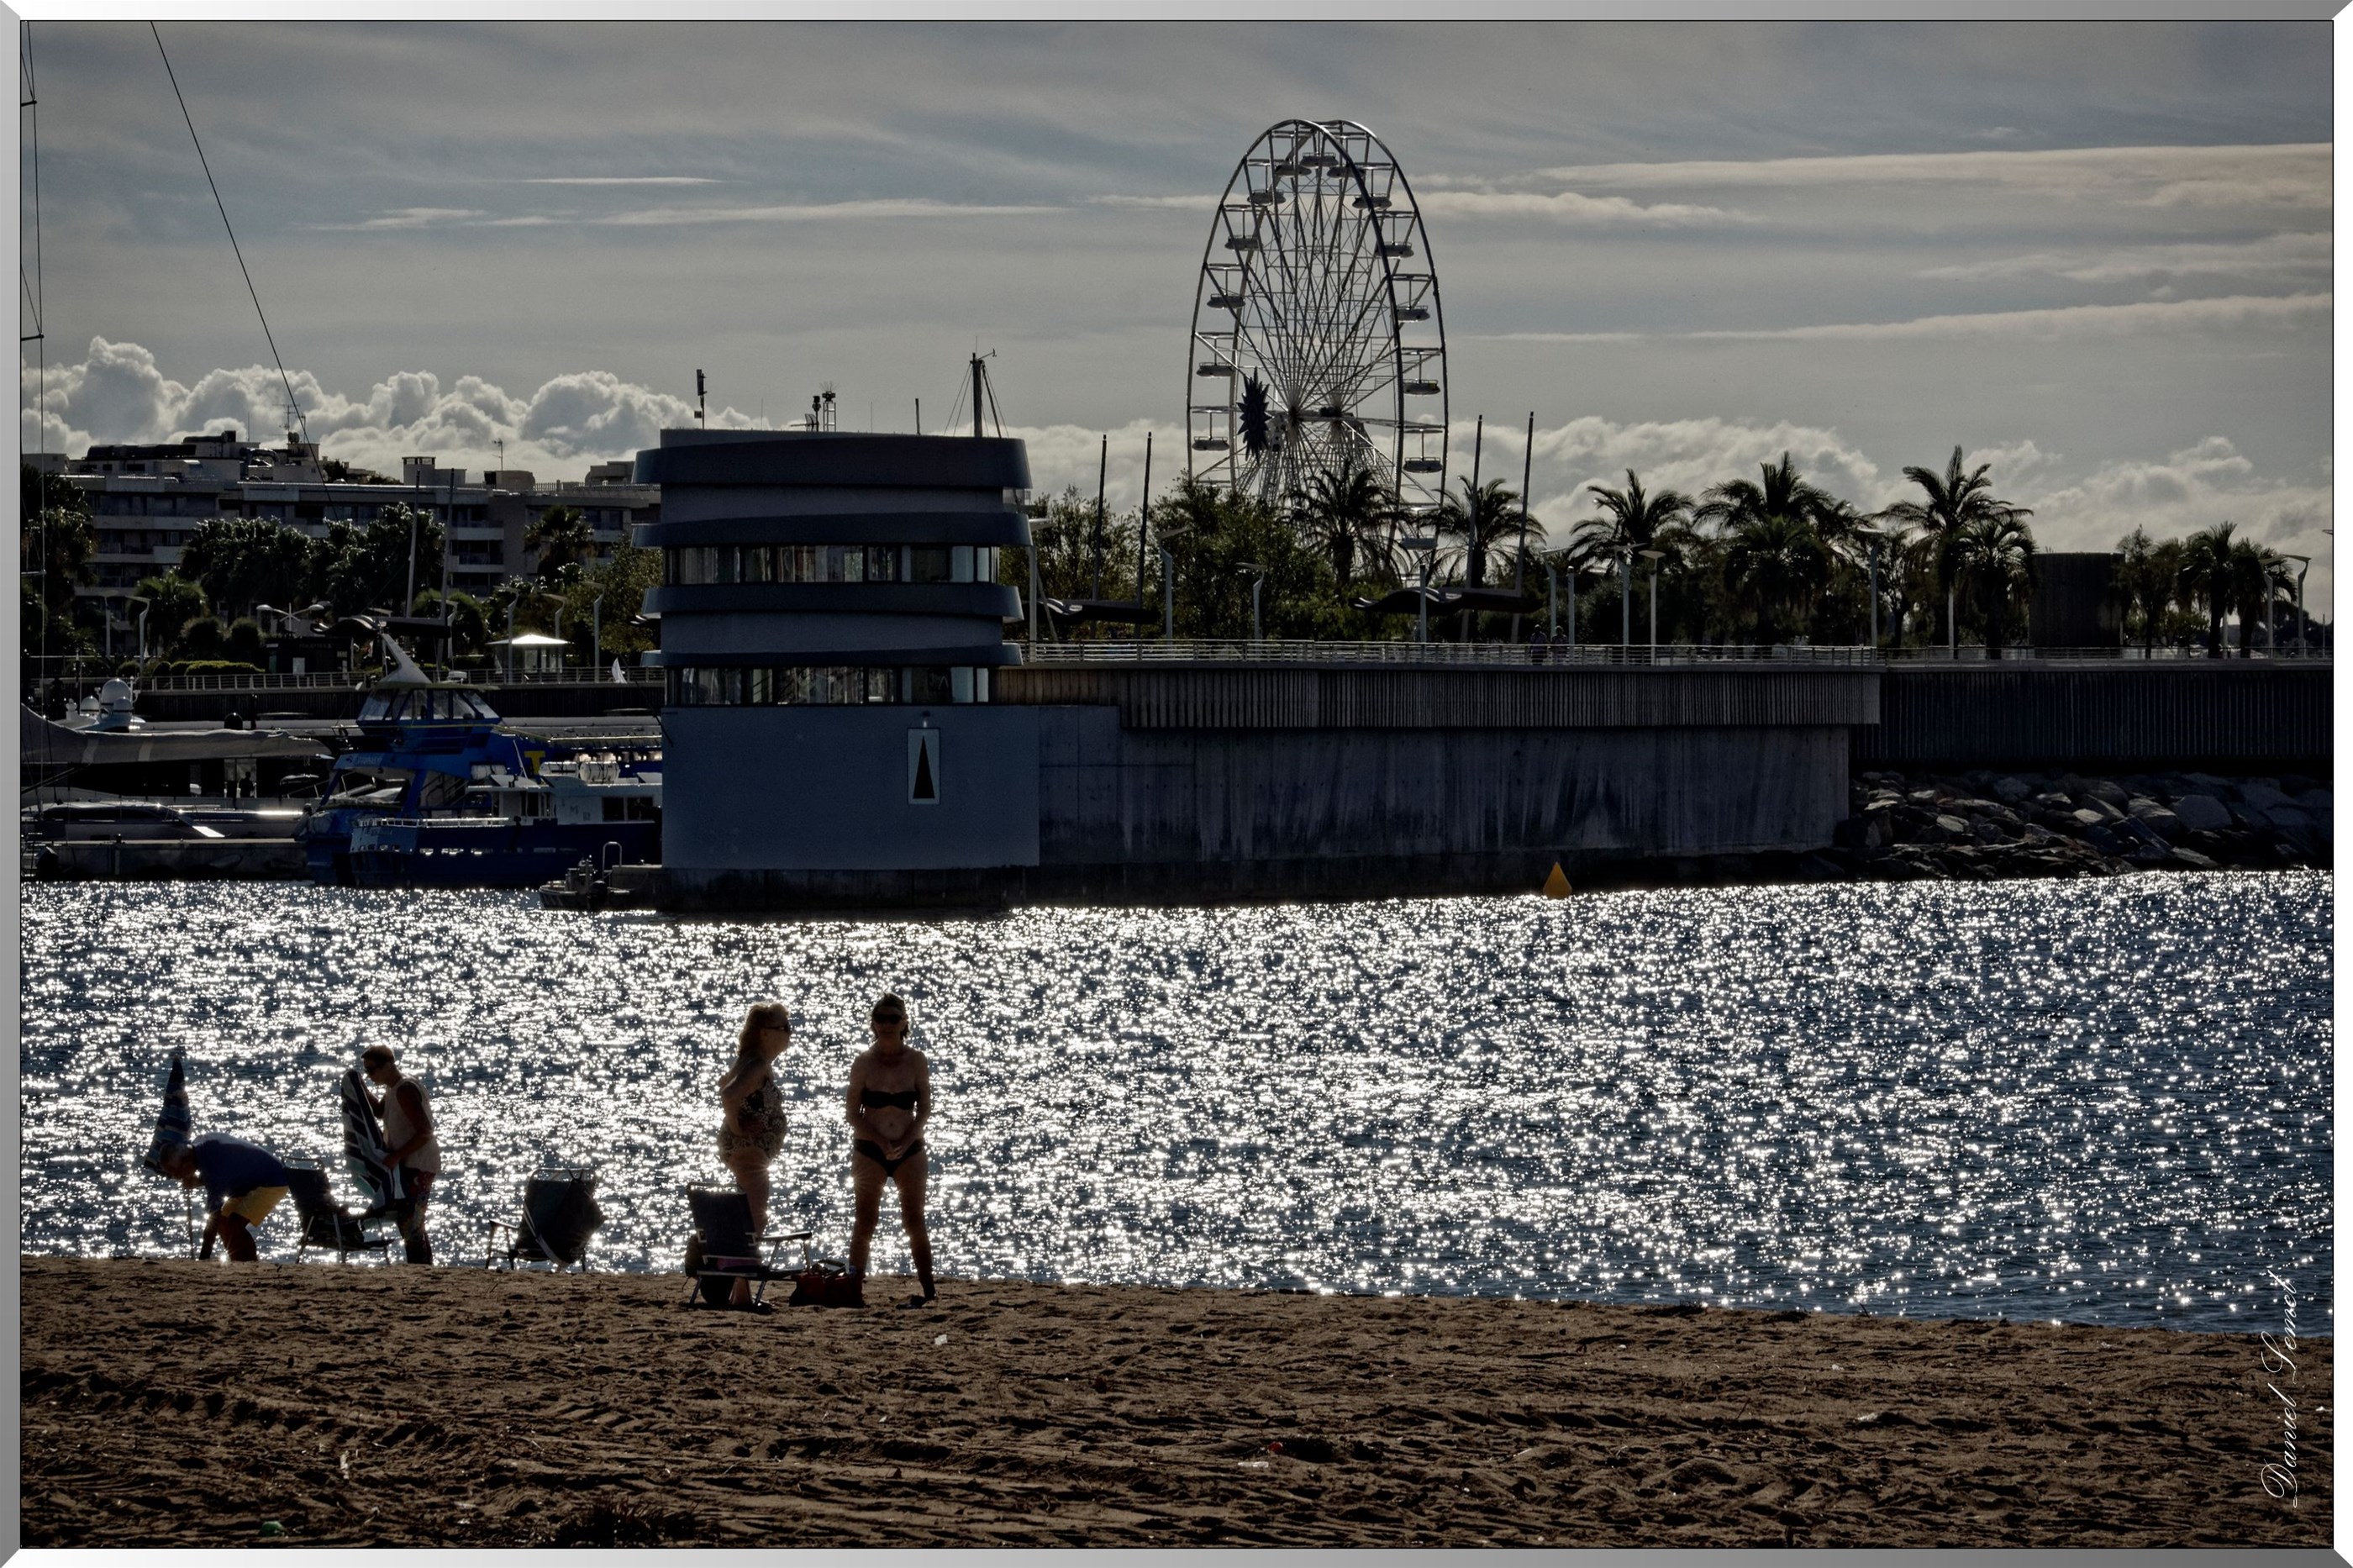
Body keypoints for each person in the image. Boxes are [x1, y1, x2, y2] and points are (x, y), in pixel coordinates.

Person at [845, 992, 934, 1308]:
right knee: (865, 1219)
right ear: (873, 1023)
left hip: (910, 1149)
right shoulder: (864, 1062)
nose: (886, 1024)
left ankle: (929, 1290)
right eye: (880, 1019)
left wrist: (907, 1140)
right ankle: (852, 1289)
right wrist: (883, 1143)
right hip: (870, 1149)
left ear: (904, 1023)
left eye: (892, 1019)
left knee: (914, 1220)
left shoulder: (916, 1060)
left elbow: (924, 1109)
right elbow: (852, 1113)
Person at [718, 1002, 792, 1307]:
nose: (789, 1033)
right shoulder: (757, 1064)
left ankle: (741, 1292)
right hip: (749, 1153)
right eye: (784, 1028)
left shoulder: (752, 1060)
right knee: (755, 1218)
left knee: (749, 1217)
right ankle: (741, 1294)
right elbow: (728, 1094)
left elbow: (726, 1085)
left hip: (749, 1152)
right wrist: (739, 1127)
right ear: (764, 1033)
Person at [361, 1044, 440, 1265]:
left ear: (389, 1065)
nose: (370, 1075)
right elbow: (379, 1112)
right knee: (408, 1221)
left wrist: (396, 1156)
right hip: (407, 1164)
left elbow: (425, 1132)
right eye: (366, 1071)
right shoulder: (392, 1087)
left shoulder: (404, 1089)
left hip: (418, 1163)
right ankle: (421, 1267)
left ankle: (422, 1269)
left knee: (411, 1222)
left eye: (372, 1070)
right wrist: (359, 1089)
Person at [160, 1134, 290, 1263]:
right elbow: (226, 1172)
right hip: (247, 1183)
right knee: (225, 1222)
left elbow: (213, 1218)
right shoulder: (199, 1146)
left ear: (186, 1160)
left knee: (234, 1223)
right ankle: (240, 1262)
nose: (176, 1177)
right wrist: (198, 1181)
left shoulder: (213, 1170)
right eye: (170, 1173)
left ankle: (251, 1264)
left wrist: (203, 1257)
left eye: (175, 1171)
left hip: (273, 1181)